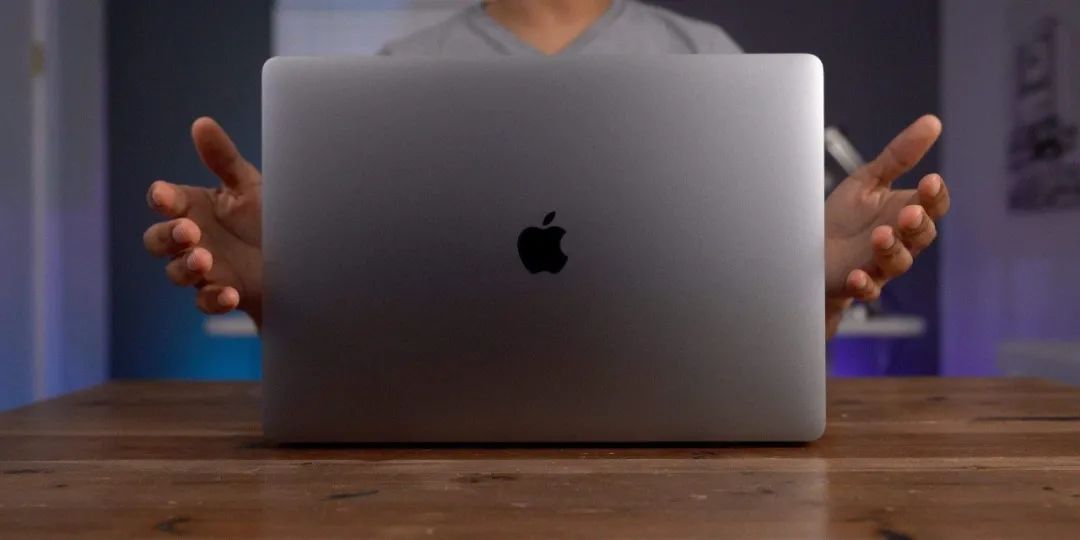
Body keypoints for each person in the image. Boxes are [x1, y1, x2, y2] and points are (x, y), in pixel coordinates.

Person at [142, 0, 950, 338]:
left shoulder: (712, 61)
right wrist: (286, 297)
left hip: (686, 467)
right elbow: (371, 327)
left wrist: (814, 291)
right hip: (432, 470)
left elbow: (755, 330)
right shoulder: (395, 78)